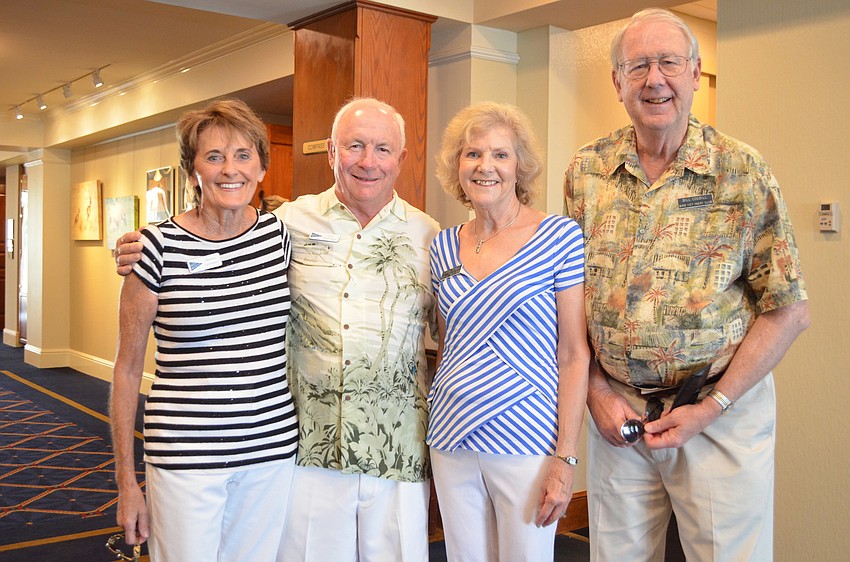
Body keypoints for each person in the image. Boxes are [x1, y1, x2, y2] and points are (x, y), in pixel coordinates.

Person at [116, 97, 439, 562]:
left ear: (401, 159)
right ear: (331, 153)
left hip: (381, 447)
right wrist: (134, 246)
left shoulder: (429, 235)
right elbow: (129, 363)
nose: (369, 161)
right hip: (302, 449)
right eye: (355, 146)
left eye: (383, 149)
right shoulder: (290, 223)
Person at [563, 8, 810, 562]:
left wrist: (714, 405)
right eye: (639, 65)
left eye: (669, 63)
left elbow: (788, 310)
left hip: (717, 415)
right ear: (617, 81)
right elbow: (573, 298)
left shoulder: (742, 172)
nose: (655, 79)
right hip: (619, 421)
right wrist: (597, 395)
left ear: (696, 72)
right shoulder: (587, 171)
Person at [110, 99, 298, 561]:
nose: (229, 169)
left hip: (270, 450)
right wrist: (127, 483)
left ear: (261, 168)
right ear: (192, 169)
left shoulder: (279, 236)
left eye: (242, 155)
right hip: (185, 456)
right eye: (213, 157)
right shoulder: (154, 247)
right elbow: (127, 369)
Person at [429, 102, 589, 561]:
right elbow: (448, 343)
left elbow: (574, 354)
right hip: (451, 436)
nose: (485, 167)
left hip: (526, 438)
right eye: (472, 154)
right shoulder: (443, 244)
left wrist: (566, 456)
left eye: (500, 155)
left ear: (519, 166)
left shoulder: (558, 236)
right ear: (457, 166)